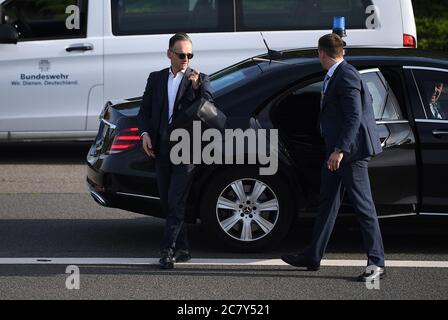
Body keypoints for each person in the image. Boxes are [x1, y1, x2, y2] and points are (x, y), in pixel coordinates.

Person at [281, 33, 386, 282]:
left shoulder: (346, 75)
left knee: (364, 207)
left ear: (321, 53)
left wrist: (340, 150)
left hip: (350, 153)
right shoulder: (338, 73)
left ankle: (377, 263)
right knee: (327, 203)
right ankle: (313, 255)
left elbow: (353, 117)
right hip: (336, 152)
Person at [137, 33, 213, 269]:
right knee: (167, 201)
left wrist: (198, 88)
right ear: (169, 54)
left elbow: (209, 106)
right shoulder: (156, 78)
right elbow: (144, 111)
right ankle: (184, 249)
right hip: (161, 147)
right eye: (182, 55)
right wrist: (145, 134)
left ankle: (167, 251)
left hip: (186, 148)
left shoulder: (199, 78)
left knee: (176, 201)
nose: (186, 59)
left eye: (190, 55)